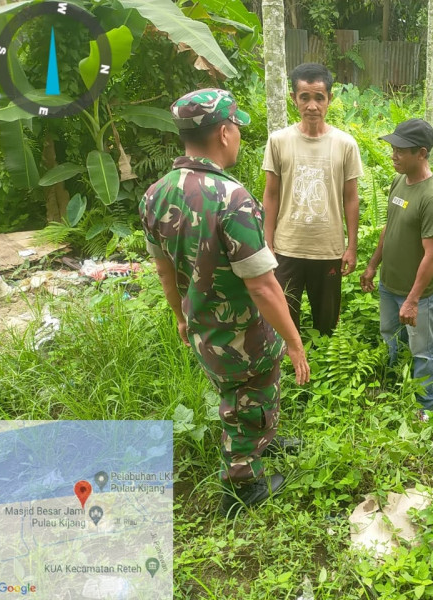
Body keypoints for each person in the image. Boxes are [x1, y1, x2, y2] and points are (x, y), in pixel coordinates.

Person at [139, 89, 310, 516]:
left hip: (202, 325)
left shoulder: (155, 195)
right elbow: (263, 287)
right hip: (241, 332)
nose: (237, 135)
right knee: (247, 395)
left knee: (243, 393)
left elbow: (164, 270)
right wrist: (293, 341)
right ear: (224, 132)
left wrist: (180, 317)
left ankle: (261, 441)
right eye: (236, 127)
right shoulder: (230, 197)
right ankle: (241, 483)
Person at [262, 63, 363, 335]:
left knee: (327, 322)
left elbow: (351, 198)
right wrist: (267, 242)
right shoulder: (279, 141)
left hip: (328, 249)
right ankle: (290, 366)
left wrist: (351, 247)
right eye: (304, 97)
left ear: (330, 99)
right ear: (294, 99)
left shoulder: (345, 144)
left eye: (319, 97)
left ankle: (321, 369)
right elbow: (271, 194)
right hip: (286, 248)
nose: (312, 105)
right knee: (283, 319)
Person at [360, 119, 433, 421]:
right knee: (390, 335)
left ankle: (425, 406)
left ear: (421, 153)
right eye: (393, 149)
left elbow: (432, 256)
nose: (393, 156)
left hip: (417, 294)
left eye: (400, 151)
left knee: (422, 349)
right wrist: (373, 265)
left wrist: (413, 299)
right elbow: (390, 226)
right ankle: (395, 385)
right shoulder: (400, 181)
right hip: (390, 284)